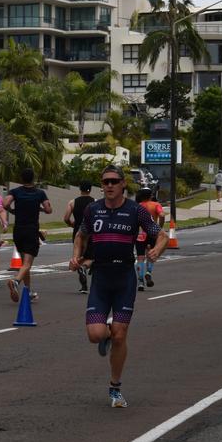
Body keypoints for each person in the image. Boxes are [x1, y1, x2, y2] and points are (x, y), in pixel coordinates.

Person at [70, 164, 167, 409]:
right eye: (106, 182)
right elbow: (81, 235)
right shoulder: (93, 210)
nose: (110, 185)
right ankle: (108, 331)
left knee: (121, 335)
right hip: (101, 276)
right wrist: (75, 256)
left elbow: (161, 234)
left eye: (114, 181)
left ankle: (115, 387)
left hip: (124, 276)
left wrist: (156, 249)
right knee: (95, 336)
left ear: (123, 184)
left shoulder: (136, 211)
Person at [4, 168, 52, 304]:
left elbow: (5, 203)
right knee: (27, 263)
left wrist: (13, 211)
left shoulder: (15, 192)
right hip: (31, 230)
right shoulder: (39, 193)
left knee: (25, 263)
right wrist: (39, 208)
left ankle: (28, 291)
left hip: (18, 230)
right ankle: (15, 281)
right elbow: (49, 209)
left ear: (22, 179)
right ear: (33, 179)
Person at [63, 181, 95, 293]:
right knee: (91, 256)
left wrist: (73, 224)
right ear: (90, 189)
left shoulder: (72, 202)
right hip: (91, 232)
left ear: (80, 189)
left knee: (78, 256)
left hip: (77, 231)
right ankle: (84, 268)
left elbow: (66, 218)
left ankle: (84, 286)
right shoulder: (95, 202)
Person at [134, 188, 164, 290]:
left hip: (140, 234)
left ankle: (141, 281)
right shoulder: (156, 205)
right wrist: (159, 226)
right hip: (152, 233)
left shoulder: (137, 206)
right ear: (151, 195)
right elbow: (162, 215)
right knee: (151, 255)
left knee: (140, 258)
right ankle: (148, 273)